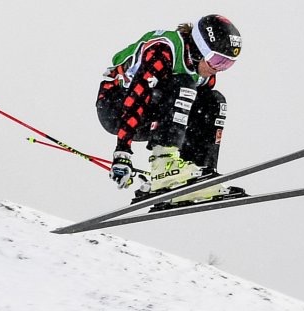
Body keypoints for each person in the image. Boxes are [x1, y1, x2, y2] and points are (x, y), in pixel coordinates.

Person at [95, 14, 243, 202]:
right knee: (184, 83)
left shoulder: (205, 72)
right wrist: (122, 151)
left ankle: (196, 174)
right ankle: (164, 165)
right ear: (199, 49)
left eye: (227, 64)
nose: (218, 69)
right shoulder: (163, 51)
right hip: (116, 107)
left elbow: (195, 115)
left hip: (152, 114)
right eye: (217, 61)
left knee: (214, 101)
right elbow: (137, 96)